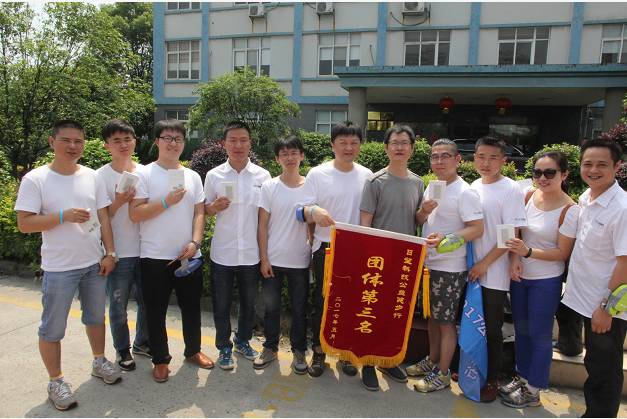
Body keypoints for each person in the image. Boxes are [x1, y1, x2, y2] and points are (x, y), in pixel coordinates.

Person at [15, 120, 121, 411]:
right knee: (52, 328)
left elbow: (103, 217)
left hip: (93, 263)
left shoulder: (92, 176)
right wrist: (62, 216)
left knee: (96, 317)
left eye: (79, 141)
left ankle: (99, 361)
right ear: (52, 142)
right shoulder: (36, 179)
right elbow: (24, 223)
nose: (73, 146)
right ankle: (56, 381)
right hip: (59, 268)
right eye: (66, 140)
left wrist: (110, 253)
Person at [129, 119, 212, 383]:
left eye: (178, 139)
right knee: (156, 310)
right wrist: (166, 201)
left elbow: (199, 212)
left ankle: (193, 350)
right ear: (157, 142)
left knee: (191, 308)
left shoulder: (192, 176)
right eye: (167, 138)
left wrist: (195, 242)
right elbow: (135, 213)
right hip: (155, 256)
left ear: (184, 143)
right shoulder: (144, 174)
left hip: (189, 255)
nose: (173, 143)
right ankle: (160, 359)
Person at [499, 151, 579, 408]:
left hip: (546, 280)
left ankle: (534, 389)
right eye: (537, 172)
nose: (542, 178)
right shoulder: (528, 195)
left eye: (550, 173)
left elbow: (562, 253)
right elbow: (516, 232)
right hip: (520, 276)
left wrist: (528, 252)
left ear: (564, 175)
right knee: (521, 330)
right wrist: (515, 258)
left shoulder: (570, 210)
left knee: (540, 334)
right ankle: (522, 377)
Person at [408, 138, 484, 393]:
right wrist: (424, 210)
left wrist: (447, 239)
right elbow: (420, 219)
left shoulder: (465, 192)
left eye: (444, 156)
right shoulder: (433, 186)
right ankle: (432, 360)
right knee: (432, 317)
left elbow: (476, 228)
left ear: (457, 160)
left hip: (450, 267)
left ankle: (442, 373)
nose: (439, 161)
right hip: (429, 263)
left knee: (446, 322)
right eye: (434, 156)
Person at [298, 121, 373, 378]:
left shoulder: (367, 175)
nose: (348, 147)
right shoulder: (317, 174)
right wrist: (314, 211)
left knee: (351, 303)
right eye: (343, 142)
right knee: (323, 302)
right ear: (332, 145)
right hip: (326, 247)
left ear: (360, 146)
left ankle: (345, 353)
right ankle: (319, 352)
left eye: (354, 143)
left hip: (357, 248)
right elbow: (300, 211)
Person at [358, 125, 429, 391]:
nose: (400, 147)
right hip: (379, 259)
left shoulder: (418, 182)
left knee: (395, 313)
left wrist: (426, 211)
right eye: (395, 142)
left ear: (412, 148)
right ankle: (368, 363)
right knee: (372, 311)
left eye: (404, 143)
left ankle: (386, 360)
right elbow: (365, 223)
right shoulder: (375, 181)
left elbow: (417, 220)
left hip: (405, 260)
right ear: (386, 147)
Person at [561, 138, 627, 418]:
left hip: (605, 305)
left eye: (602, 164)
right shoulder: (587, 197)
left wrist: (606, 308)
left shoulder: (622, 208)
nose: (593, 170)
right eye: (588, 164)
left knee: (604, 369)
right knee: (594, 362)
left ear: (617, 166)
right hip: (583, 296)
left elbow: (625, 263)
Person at [204, 121, 271, 370]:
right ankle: (223, 347)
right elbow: (203, 210)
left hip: (251, 253)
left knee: (248, 302)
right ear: (224, 144)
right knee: (221, 304)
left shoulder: (263, 176)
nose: (238, 145)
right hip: (223, 251)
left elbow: (266, 217)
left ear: (250, 143)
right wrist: (213, 207)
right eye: (232, 140)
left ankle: (242, 341)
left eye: (243, 140)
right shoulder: (214, 175)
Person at [469, 136, 527, 402]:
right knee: (472, 324)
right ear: (474, 158)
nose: (486, 163)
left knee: (492, 329)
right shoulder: (474, 186)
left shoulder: (510, 189)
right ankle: (471, 369)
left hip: (493, 271)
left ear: (504, 160)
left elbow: (509, 236)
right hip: (472, 269)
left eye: (493, 157)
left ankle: (492, 378)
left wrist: (484, 264)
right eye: (481, 157)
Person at [96, 119, 150, 371]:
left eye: (127, 139)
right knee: (118, 305)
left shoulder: (145, 172)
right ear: (106, 145)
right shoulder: (99, 176)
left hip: (147, 250)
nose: (123, 145)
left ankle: (142, 342)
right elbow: (99, 216)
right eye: (116, 140)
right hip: (119, 252)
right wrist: (118, 201)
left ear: (135, 142)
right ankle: (122, 350)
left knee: (148, 302)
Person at [254, 136, 310, 374]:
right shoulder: (270, 187)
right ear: (277, 159)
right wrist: (264, 258)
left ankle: (299, 351)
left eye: (293, 152)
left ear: (301, 156)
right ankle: (270, 347)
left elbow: (313, 223)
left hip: (301, 260)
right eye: (284, 154)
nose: (289, 158)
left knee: (299, 309)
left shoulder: (311, 186)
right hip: (274, 260)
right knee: (271, 308)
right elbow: (262, 225)